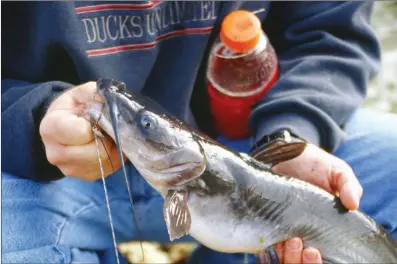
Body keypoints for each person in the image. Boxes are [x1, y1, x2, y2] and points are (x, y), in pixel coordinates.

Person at [2, 1, 396, 263]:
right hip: (50, 166)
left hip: (256, 142)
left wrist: (293, 134)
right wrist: (32, 116)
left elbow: (329, 34)